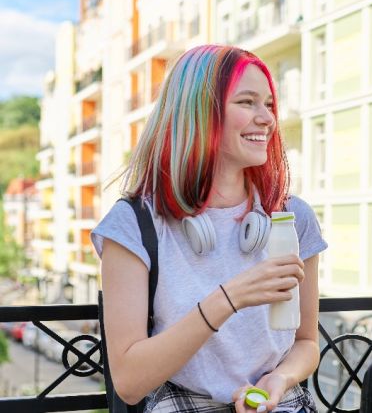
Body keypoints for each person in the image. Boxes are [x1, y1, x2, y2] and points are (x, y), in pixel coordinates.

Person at [93, 44, 327, 413]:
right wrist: (229, 298)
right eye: (247, 102)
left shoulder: (292, 217)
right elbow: (129, 383)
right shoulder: (133, 225)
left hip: (279, 404)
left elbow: (306, 343)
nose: (266, 118)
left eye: (268, 104)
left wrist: (279, 380)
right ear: (200, 112)